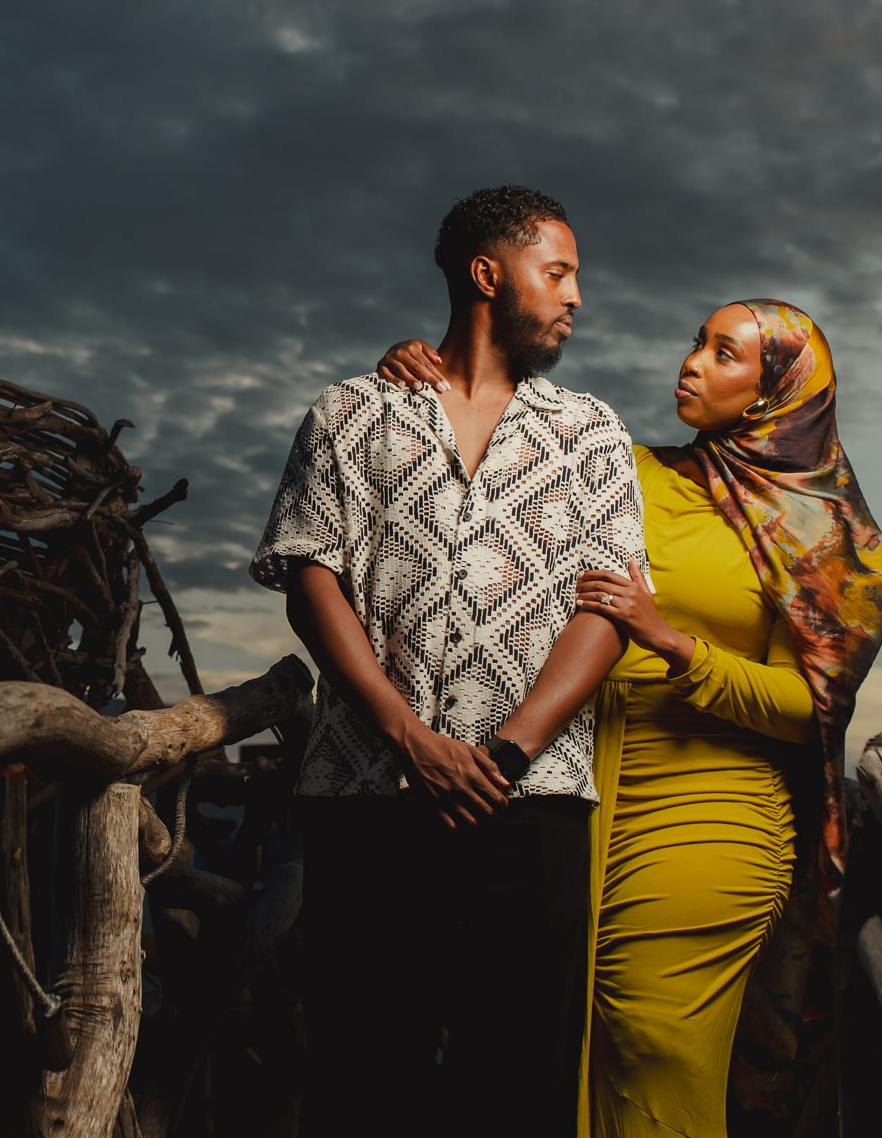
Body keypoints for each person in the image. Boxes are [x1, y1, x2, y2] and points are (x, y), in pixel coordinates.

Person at [377, 299, 882, 1137]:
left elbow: (815, 710)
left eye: (725, 354)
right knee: (572, 1046)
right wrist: (422, 374)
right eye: (698, 342)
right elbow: (486, 465)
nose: (693, 363)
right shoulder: (628, 468)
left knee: (655, 1035)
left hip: (718, 807)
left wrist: (674, 645)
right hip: (581, 793)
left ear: (778, 390)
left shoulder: (834, 538)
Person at [252, 186, 648, 1138]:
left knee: (518, 1084)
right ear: (487, 274)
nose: (576, 297)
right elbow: (313, 581)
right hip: (367, 796)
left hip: (533, 801)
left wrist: (507, 754)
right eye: (557, 273)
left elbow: (609, 607)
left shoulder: (590, 430)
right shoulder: (352, 412)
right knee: (361, 1072)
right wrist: (409, 738)